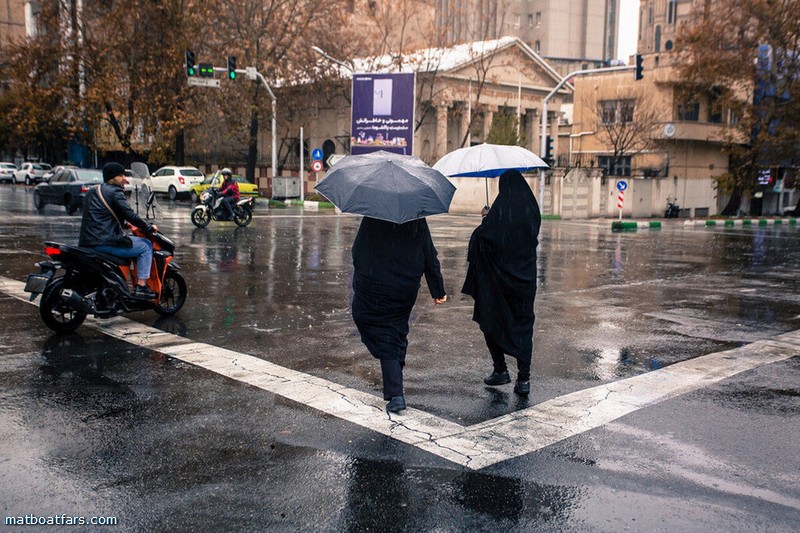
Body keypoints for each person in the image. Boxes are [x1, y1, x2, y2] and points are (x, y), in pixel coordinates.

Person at [351, 217, 447, 413]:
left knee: (382, 332)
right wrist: (437, 289)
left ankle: (396, 393)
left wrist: (364, 276)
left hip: (376, 284)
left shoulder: (374, 215)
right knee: (395, 329)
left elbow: (357, 251)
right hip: (405, 286)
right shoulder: (416, 217)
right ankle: (395, 368)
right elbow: (429, 254)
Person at [461, 170, 541, 396]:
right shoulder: (531, 209)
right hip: (525, 281)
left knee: (490, 320)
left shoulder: (501, 210)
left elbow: (484, 238)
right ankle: (523, 379)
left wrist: (486, 218)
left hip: (498, 283)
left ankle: (500, 369)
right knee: (524, 326)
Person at [79, 162, 159, 299]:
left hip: (87, 242)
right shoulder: (115, 191)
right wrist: (148, 227)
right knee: (146, 246)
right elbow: (129, 214)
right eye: (121, 175)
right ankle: (142, 286)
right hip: (106, 242)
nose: (125, 179)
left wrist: (125, 224)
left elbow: (101, 216)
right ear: (111, 178)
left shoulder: (94, 190)